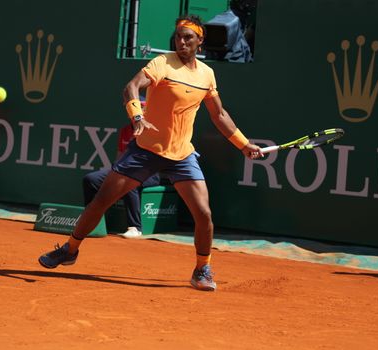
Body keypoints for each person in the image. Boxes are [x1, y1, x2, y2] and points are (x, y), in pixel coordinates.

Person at [38, 14, 263, 292]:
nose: (181, 41)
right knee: (100, 202)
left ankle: (201, 269)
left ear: (200, 41)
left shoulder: (207, 74)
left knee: (204, 214)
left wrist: (243, 144)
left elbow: (219, 114)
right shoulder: (161, 63)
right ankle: (70, 249)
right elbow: (130, 87)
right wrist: (136, 117)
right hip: (145, 150)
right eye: (178, 36)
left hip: (182, 155)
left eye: (188, 37)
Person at [82, 122, 160, 238]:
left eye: (144, 107)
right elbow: (120, 155)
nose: (141, 110)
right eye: (138, 106)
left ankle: (135, 227)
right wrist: (115, 172)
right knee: (90, 179)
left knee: (129, 181)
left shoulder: (152, 130)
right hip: (124, 170)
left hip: (149, 174)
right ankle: (91, 221)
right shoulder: (125, 130)